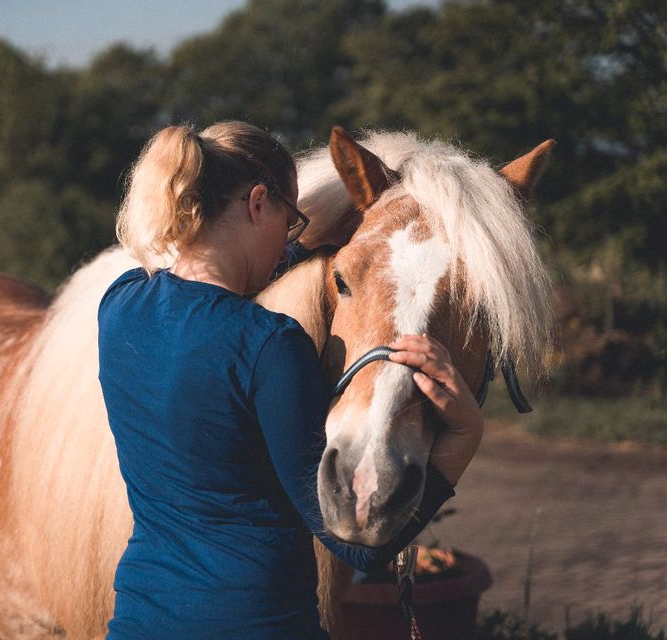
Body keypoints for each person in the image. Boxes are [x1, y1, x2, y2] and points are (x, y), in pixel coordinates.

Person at [97, 121, 484, 639]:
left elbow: (209, 289)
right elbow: (353, 536)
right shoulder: (268, 346)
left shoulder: (119, 305)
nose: (290, 244)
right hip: (258, 624)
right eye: (292, 220)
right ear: (259, 203)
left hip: (140, 619)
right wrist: (463, 436)